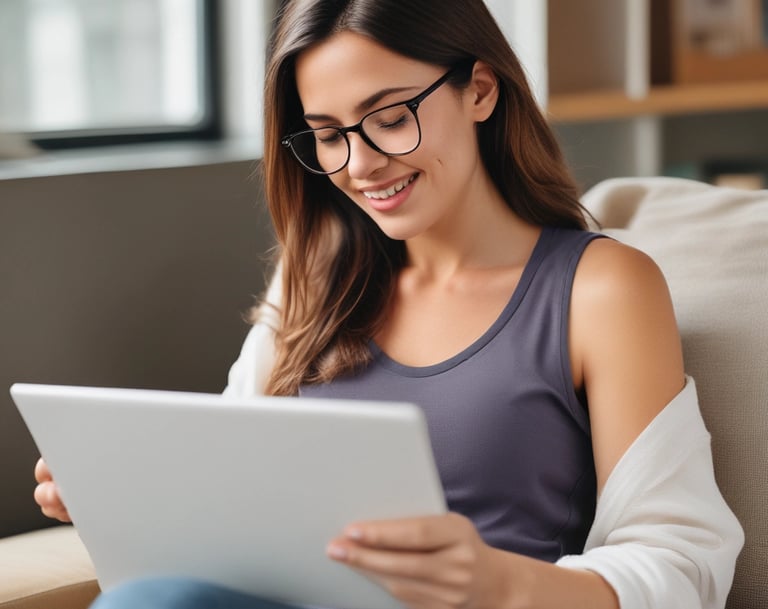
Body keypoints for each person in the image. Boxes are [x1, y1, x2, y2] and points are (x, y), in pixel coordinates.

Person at [34, 1, 744, 608]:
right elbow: (230, 510)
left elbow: (683, 563)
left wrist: (497, 582)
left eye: (390, 116)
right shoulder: (314, 282)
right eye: (330, 134)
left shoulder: (600, 288)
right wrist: (123, 498)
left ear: (481, 90)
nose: (361, 163)